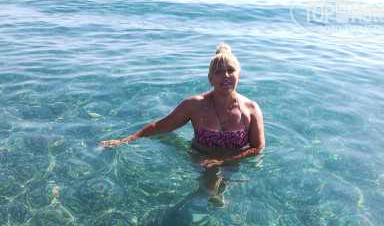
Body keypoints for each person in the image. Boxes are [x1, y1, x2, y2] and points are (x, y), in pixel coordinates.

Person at [98, 44, 265, 168]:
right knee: (209, 184)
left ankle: (213, 197)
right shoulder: (195, 105)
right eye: (219, 71)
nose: (226, 75)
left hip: (233, 163)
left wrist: (223, 160)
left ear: (239, 75)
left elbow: (257, 149)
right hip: (199, 159)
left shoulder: (251, 109)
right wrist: (124, 141)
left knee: (214, 187)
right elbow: (159, 126)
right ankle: (213, 197)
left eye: (231, 70)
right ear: (210, 79)